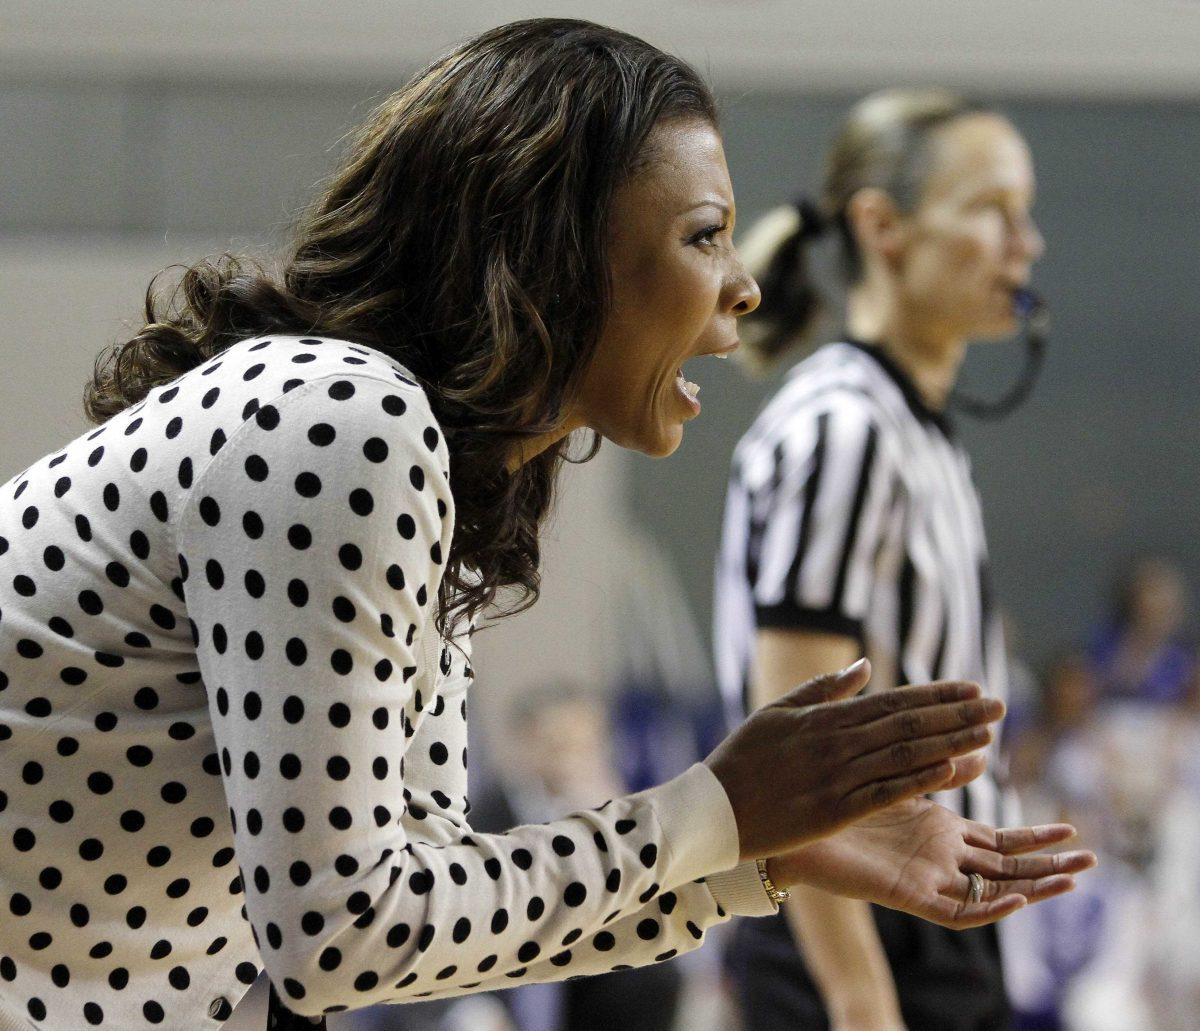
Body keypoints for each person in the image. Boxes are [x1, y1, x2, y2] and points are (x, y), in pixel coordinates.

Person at [0, 24, 1092, 1030]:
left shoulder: (411, 457)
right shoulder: (340, 416)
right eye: (704, 235)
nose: (748, 287)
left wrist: (753, 853)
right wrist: (717, 804)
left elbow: (422, 909)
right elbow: (338, 934)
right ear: (554, 254)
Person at [716, 88, 1050, 1030]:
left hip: (925, 910)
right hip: (858, 923)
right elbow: (797, 734)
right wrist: (860, 996)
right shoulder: (848, 427)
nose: (1026, 243)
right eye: (991, 209)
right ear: (882, 226)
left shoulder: (915, 431)